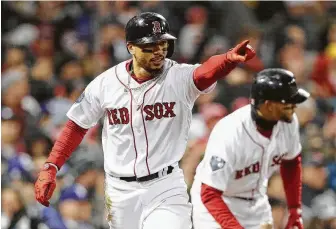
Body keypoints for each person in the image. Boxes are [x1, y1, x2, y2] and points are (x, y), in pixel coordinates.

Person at [34, 12, 255, 229]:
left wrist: (226, 60)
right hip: (120, 191)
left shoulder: (178, 77)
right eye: (150, 46)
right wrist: (51, 166)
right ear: (130, 47)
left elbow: (204, 73)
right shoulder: (105, 84)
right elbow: (76, 126)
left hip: (165, 185)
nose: (159, 51)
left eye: (163, 44)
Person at [190, 68, 310, 229]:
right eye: (287, 102)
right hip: (217, 203)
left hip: (256, 201)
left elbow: (291, 163)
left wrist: (295, 210)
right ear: (268, 105)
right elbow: (209, 194)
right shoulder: (230, 132)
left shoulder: (288, 122)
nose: (294, 106)